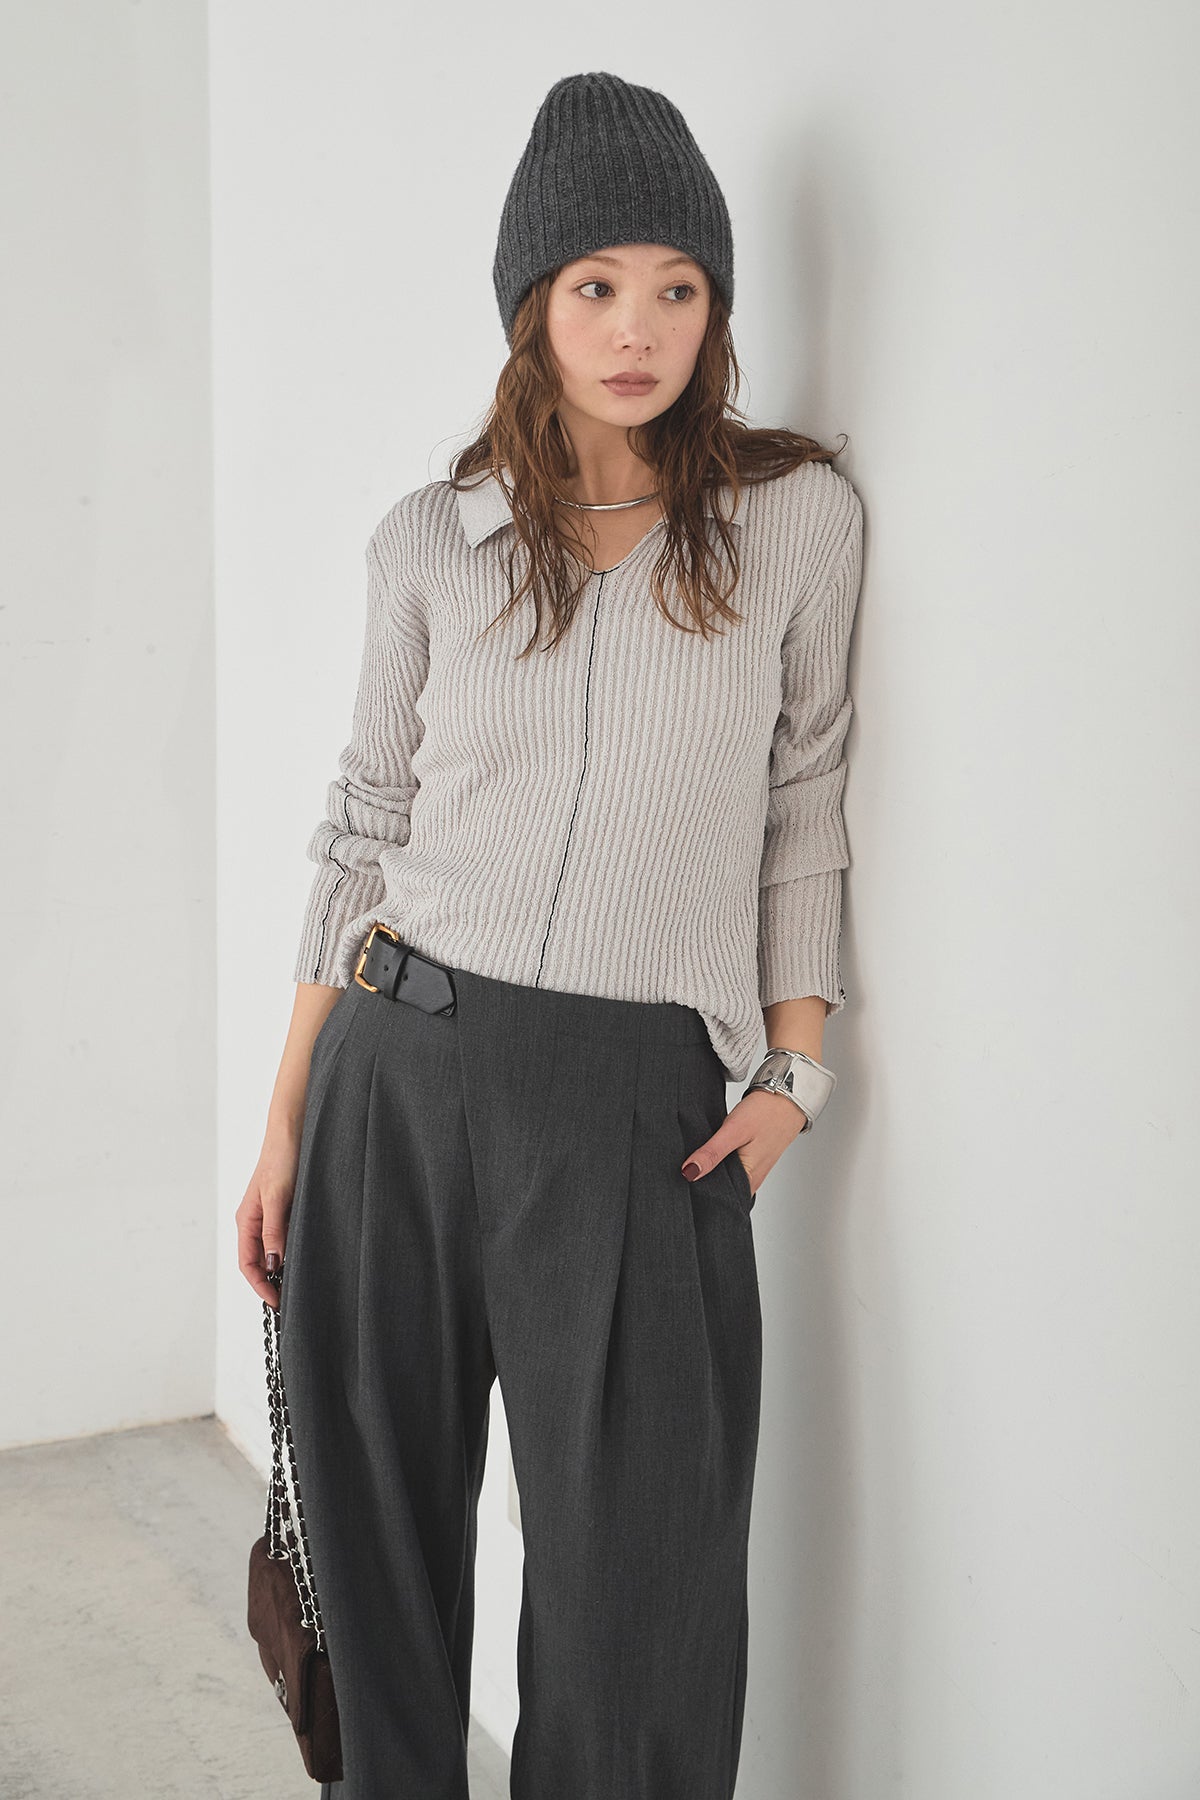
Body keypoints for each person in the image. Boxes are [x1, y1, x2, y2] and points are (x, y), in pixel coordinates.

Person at [236, 68, 864, 1800]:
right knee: (376, 1555)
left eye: (677, 285)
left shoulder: (796, 522)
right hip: (398, 1068)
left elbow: (807, 802)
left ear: (716, 308)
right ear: (534, 306)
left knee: (640, 1592)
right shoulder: (431, 544)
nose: (636, 326)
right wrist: (287, 1119)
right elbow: (363, 823)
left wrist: (794, 1075)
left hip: (635, 1097)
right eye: (595, 285)